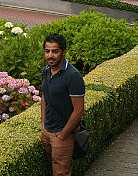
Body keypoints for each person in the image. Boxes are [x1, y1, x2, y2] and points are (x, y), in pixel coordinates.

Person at [41, 33, 85, 176]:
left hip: (62, 134)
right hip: (47, 131)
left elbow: (79, 111)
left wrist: (63, 134)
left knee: (61, 173)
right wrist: (43, 126)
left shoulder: (73, 76)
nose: (50, 55)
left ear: (63, 52)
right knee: (52, 168)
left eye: (55, 51)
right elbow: (45, 97)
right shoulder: (46, 71)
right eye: (47, 51)